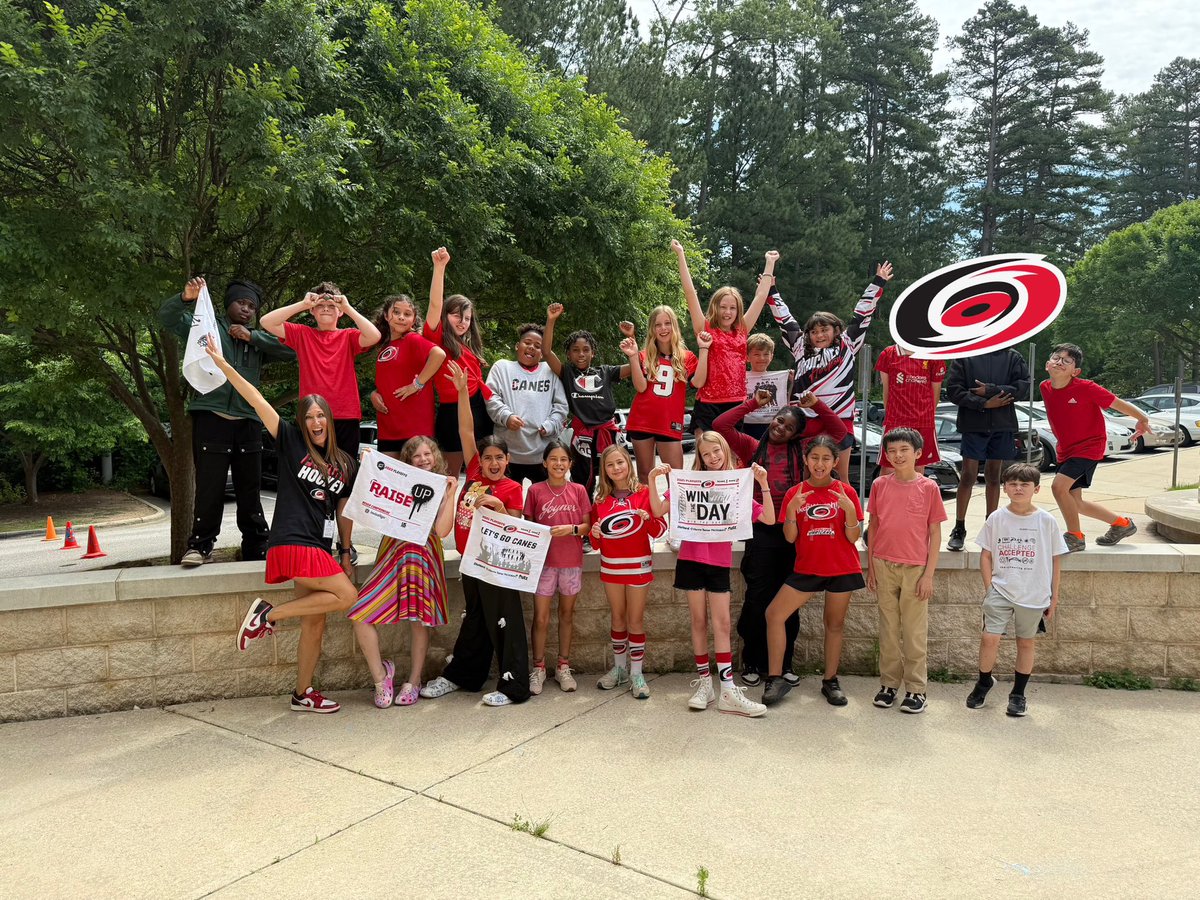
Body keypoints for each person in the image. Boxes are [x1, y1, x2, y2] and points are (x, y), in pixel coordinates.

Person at [205, 340, 358, 714]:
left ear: (330, 420)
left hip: (320, 547)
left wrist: (345, 551)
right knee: (348, 596)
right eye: (309, 417)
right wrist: (225, 366)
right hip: (292, 539)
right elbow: (257, 400)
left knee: (315, 622)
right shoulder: (290, 441)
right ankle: (265, 616)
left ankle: (302, 693)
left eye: (321, 416)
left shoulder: (345, 462)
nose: (316, 422)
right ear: (302, 423)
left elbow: (344, 510)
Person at [158, 276, 294, 566]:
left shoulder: (256, 338)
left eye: (251, 306)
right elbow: (168, 318)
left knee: (249, 487)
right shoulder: (207, 327)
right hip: (211, 416)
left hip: (248, 420)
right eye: (240, 303)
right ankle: (199, 546)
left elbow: (291, 351)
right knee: (210, 486)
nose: (246, 310)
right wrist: (185, 297)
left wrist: (253, 336)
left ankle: (257, 546)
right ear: (228, 304)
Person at [714, 390, 847, 686]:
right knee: (757, 597)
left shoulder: (802, 451)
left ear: (796, 435)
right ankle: (752, 661)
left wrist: (817, 405)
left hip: (794, 530)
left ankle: (784, 664)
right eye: (778, 421)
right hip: (761, 529)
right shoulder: (751, 446)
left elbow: (839, 432)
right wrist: (753, 404)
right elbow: (720, 425)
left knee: (788, 600)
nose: (780, 427)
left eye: (788, 427)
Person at [420, 363, 530, 707]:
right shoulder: (473, 474)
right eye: (488, 458)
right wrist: (463, 392)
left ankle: (515, 687)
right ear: (479, 461)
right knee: (476, 620)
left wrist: (499, 506)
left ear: (508, 459)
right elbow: (466, 430)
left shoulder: (511, 487)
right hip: (470, 562)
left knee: (505, 621)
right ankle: (465, 676)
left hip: (497, 565)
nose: (493, 463)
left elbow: (517, 525)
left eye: (499, 457)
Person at [648, 435, 774, 717]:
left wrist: (763, 484)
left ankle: (727, 688)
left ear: (725, 450)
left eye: (716, 450)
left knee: (723, 623)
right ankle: (705, 683)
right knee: (698, 621)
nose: (712, 457)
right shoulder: (689, 482)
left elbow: (768, 518)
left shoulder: (736, 484)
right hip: (691, 559)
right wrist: (652, 478)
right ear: (700, 458)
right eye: (706, 454)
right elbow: (657, 510)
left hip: (718, 562)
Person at [347, 436, 458, 708]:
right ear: (408, 461)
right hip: (394, 554)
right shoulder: (397, 482)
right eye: (416, 456)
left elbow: (443, 531)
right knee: (361, 613)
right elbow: (372, 504)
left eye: (427, 454)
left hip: (423, 557)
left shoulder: (443, 486)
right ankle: (380, 677)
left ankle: (414, 680)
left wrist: (451, 494)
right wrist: (371, 467)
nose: (423, 460)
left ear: (435, 456)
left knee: (420, 621)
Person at [761, 436, 865, 707]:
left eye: (826, 459)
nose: (820, 464)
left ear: (835, 461)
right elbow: (789, 537)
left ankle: (830, 681)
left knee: (834, 624)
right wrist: (793, 512)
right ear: (806, 460)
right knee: (774, 614)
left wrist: (850, 512)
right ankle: (775, 678)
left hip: (842, 567)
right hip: (807, 568)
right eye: (815, 458)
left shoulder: (846, 492)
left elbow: (853, 537)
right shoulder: (795, 493)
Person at [767, 262, 894, 482]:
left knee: (839, 476)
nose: (819, 335)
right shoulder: (800, 348)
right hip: (806, 420)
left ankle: (846, 517)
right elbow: (785, 319)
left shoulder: (847, 344)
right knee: (806, 476)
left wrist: (878, 282)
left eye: (824, 329)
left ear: (836, 329)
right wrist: (771, 291)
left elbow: (862, 314)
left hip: (839, 419)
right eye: (814, 331)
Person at [966, 463, 1068, 717]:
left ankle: (1018, 694)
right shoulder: (997, 518)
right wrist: (990, 588)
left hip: (1033, 593)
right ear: (1004, 488)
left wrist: (1053, 597)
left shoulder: (1046, 521)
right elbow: (986, 555)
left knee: (1025, 643)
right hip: (1001, 589)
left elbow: (1056, 560)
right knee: (989, 638)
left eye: (1024, 484)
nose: (1018, 488)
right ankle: (984, 681)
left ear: (1036, 488)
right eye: (1012, 484)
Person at [865, 427, 946, 714]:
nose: (897, 456)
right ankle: (888, 684)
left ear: (917, 453)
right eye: (892, 451)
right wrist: (871, 565)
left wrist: (928, 574)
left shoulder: (929, 488)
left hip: (915, 568)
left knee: (913, 632)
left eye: (904, 450)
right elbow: (873, 525)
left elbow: (934, 533)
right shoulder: (880, 485)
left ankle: (916, 689)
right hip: (883, 565)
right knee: (888, 629)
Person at [1041, 344, 1149, 551]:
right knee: (1075, 502)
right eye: (1056, 358)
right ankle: (1122, 525)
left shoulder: (1086, 387)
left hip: (1089, 447)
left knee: (1058, 487)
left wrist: (1142, 419)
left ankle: (1075, 537)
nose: (1059, 362)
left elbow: (1117, 403)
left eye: (1067, 360)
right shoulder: (1045, 387)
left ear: (1076, 371)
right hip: (1066, 449)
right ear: (1047, 365)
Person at [258, 281, 382, 458]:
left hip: (345, 414)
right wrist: (303, 303)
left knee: (345, 470)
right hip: (311, 415)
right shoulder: (302, 333)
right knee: (311, 472)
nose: (325, 309)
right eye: (320, 305)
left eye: (331, 306)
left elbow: (374, 336)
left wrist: (347, 307)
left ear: (339, 312)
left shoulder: (348, 336)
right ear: (312, 310)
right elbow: (266, 321)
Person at [676, 241, 777, 436]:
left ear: (738, 310)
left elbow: (761, 296)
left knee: (731, 459)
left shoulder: (742, 329)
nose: (727, 312)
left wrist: (769, 263)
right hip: (707, 403)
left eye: (732, 308)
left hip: (735, 402)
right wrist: (681, 254)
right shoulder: (704, 328)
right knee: (707, 458)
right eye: (723, 307)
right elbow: (690, 293)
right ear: (715, 307)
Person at [590, 444, 667, 700]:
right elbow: (597, 541)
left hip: (638, 565)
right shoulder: (600, 499)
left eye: (620, 463)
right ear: (605, 470)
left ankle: (636, 672)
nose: (616, 468)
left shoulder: (644, 492)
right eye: (610, 465)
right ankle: (620, 669)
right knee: (618, 618)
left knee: (635, 620)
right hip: (611, 565)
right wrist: (595, 533)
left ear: (628, 463)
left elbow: (659, 531)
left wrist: (648, 519)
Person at [541, 303, 638, 496]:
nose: (581, 354)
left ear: (593, 352)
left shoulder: (606, 371)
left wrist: (631, 337)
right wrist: (551, 321)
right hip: (583, 434)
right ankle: (586, 519)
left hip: (608, 433)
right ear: (568, 354)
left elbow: (636, 363)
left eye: (586, 349)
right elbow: (545, 352)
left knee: (616, 477)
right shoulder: (566, 372)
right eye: (575, 350)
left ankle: (616, 512)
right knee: (583, 481)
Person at [943, 347, 1031, 551]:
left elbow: (1022, 387)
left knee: (994, 477)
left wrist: (990, 390)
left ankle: (991, 527)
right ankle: (959, 528)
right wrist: (983, 404)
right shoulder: (965, 355)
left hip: (1002, 424)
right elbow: (954, 390)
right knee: (968, 476)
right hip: (973, 424)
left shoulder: (1013, 356)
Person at [523, 440, 591, 694]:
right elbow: (528, 526)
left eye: (563, 459)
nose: (558, 464)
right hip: (543, 565)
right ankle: (538, 668)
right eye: (553, 459)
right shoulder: (535, 491)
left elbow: (586, 525)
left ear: (570, 464)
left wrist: (570, 529)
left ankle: (563, 666)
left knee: (566, 615)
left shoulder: (578, 490)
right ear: (544, 462)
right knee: (540, 618)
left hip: (571, 562)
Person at [422, 247, 493, 477]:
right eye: (456, 315)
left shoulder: (470, 346)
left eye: (467, 318)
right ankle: (444, 513)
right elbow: (434, 305)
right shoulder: (438, 338)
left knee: (481, 471)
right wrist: (439, 268)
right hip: (451, 410)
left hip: (478, 407)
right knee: (448, 474)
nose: (462, 322)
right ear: (446, 316)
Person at [625, 306, 710, 482]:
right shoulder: (642, 355)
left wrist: (704, 349)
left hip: (669, 422)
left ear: (674, 326)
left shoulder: (687, 357)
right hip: (642, 420)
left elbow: (699, 382)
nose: (663, 328)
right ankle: (648, 511)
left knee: (676, 477)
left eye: (667, 323)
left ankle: (675, 511)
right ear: (652, 329)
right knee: (645, 476)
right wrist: (633, 357)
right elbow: (640, 387)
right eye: (658, 325)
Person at [484, 323, 569, 485]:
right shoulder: (502, 368)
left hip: (543, 455)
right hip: (507, 454)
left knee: (545, 506)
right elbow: (490, 397)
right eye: (527, 342)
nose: (531, 347)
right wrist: (506, 417)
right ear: (517, 345)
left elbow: (561, 407)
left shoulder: (550, 371)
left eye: (538, 346)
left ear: (543, 353)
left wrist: (550, 425)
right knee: (507, 506)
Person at [368, 294, 447, 451]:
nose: (401, 317)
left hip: (414, 429)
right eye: (396, 312)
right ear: (385, 315)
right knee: (388, 476)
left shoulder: (412, 339)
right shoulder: (383, 345)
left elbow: (439, 354)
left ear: (414, 318)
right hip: (387, 428)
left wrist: (416, 385)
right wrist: (373, 394)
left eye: (407, 314)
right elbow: (389, 378)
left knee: (415, 475)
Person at [874, 344, 947, 475]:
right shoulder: (888, 354)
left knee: (918, 469)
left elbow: (935, 392)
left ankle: (914, 496)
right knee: (889, 468)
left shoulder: (933, 355)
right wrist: (891, 413)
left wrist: (926, 415)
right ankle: (886, 496)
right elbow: (886, 391)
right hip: (896, 421)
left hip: (923, 421)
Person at [740, 332, 779, 441]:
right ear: (747, 357)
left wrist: (791, 381)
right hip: (746, 427)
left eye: (766, 354)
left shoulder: (782, 378)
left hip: (771, 427)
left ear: (772, 356)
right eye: (756, 354)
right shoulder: (739, 378)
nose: (762, 358)